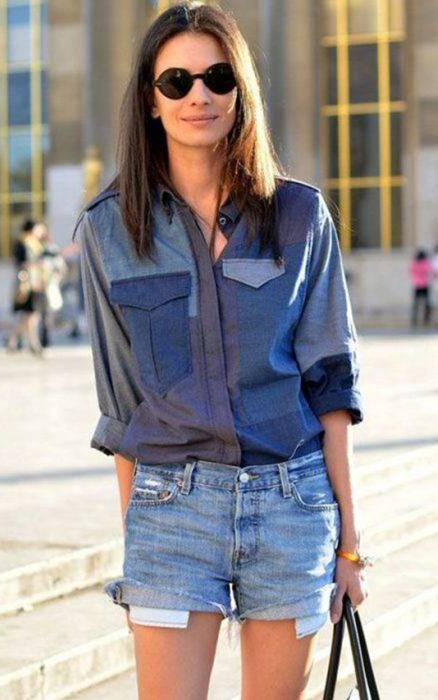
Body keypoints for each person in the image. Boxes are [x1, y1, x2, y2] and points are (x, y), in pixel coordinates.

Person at [74, 4, 368, 698]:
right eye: (176, 81)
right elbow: (122, 408)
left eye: (217, 77)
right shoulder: (109, 229)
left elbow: (333, 387)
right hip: (172, 508)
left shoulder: (299, 216)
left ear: (241, 91)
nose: (198, 95)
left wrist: (350, 546)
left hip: (292, 504)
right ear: (150, 100)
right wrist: (139, 543)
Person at [7, 218, 44, 356]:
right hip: (26, 284)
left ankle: (14, 341)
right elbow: (19, 263)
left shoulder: (35, 244)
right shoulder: (22, 243)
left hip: (35, 283)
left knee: (30, 315)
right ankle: (32, 343)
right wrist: (36, 265)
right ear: (31, 229)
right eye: (37, 228)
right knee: (31, 314)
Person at [408, 249, 433, 328]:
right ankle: (426, 319)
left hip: (417, 285)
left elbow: (410, 271)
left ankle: (414, 319)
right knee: (427, 303)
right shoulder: (425, 263)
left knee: (416, 304)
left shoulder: (414, 263)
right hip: (425, 285)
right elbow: (430, 271)